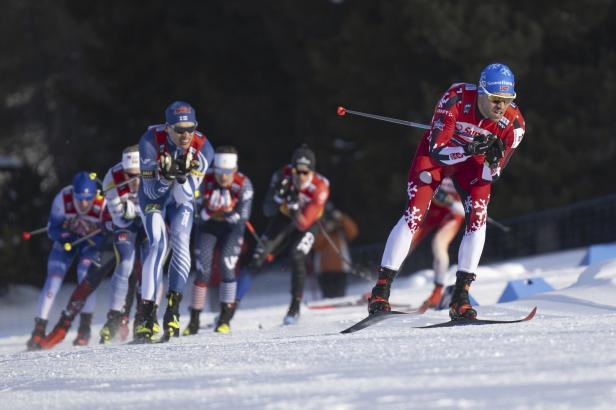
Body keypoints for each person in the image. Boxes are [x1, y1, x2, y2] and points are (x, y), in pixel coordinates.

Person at [367, 63, 526, 320]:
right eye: (495, 99)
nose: (500, 107)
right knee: (414, 214)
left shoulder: (515, 125)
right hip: (439, 157)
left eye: (507, 100)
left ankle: (460, 296)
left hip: (472, 166)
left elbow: (491, 176)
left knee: (478, 218)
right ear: (481, 93)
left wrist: (492, 161)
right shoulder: (455, 99)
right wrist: (469, 149)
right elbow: (437, 150)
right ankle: (381, 291)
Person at [35, 147, 147, 349]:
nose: (135, 181)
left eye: (139, 175)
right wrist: (111, 222)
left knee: (136, 269)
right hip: (115, 238)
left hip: (135, 238)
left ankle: (135, 320)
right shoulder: (112, 181)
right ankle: (62, 324)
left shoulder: (152, 182)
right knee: (92, 274)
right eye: (130, 176)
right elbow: (110, 221)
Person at [135, 101, 214, 343]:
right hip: (154, 200)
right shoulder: (150, 141)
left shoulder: (203, 148)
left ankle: (173, 309)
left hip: (180, 200)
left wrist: (179, 178)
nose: (185, 135)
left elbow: (185, 195)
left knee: (180, 239)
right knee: (158, 243)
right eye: (179, 130)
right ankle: (147, 314)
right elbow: (149, 191)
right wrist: (167, 177)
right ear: (167, 128)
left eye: (190, 129)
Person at [26, 171, 110, 350]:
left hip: (90, 245)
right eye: (80, 198)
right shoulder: (63, 199)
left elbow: (108, 234)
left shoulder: (103, 202)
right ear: (73, 194)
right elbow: (52, 230)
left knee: (85, 276)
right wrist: (68, 233)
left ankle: (84, 328)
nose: (84, 203)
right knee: (53, 279)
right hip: (66, 243)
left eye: (88, 198)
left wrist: (94, 237)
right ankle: (39, 329)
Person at [248, 144, 330, 325]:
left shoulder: (321, 185)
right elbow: (268, 210)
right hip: (284, 218)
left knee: (297, 254)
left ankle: (294, 307)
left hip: (310, 223)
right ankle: (227, 311)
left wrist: (291, 205)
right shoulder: (281, 175)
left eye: (305, 173)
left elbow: (303, 223)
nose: (300, 176)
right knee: (257, 257)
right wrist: (278, 198)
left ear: (312, 173)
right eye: (296, 171)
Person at [182, 146, 253, 335]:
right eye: (220, 172)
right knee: (203, 270)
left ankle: (224, 319)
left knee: (226, 266)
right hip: (208, 227)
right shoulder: (204, 179)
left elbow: (243, 219)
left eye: (228, 173)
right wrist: (209, 211)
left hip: (232, 229)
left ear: (235, 170)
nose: (223, 178)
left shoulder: (244, 184)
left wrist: (228, 211)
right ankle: (194, 320)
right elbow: (194, 215)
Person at [411, 177, 465, 310]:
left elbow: (470, 200)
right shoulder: (433, 158)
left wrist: (456, 204)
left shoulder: (465, 160)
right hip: (430, 208)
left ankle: (437, 293)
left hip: (452, 211)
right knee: (407, 241)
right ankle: (382, 286)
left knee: (438, 244)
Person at [312, 202, 359, 298]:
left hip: (341, 268)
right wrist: (326, 229)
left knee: (340, 295)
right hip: (323, 270)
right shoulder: (318, 226)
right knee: (327, 296)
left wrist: (341, 218)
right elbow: (315, 244)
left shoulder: (341, 230)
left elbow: (353, 232)